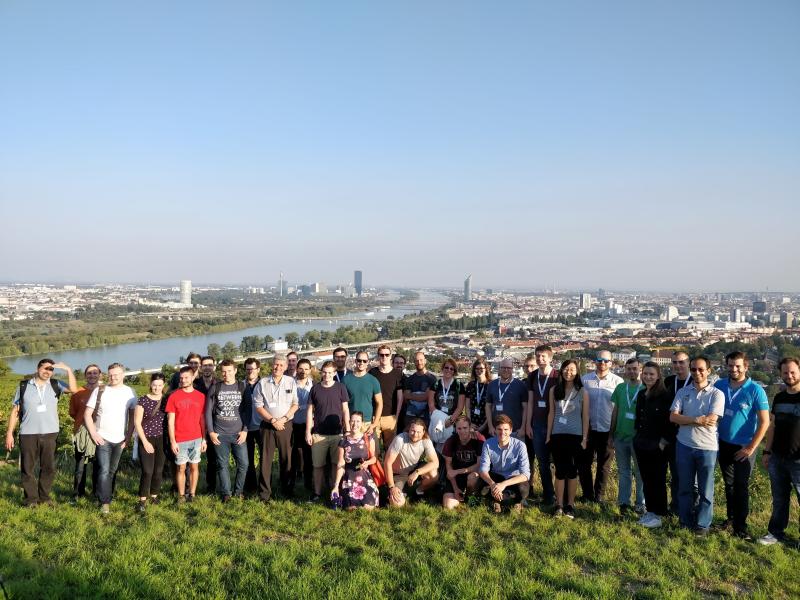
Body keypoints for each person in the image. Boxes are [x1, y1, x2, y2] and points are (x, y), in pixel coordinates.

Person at [5, 359, 78, 506]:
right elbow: (15, 412)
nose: (48, 372)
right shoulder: (24, 386)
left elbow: (74, 389)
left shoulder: (56, 384)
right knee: (28, 468)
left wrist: (68, 369)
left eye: (51, 369)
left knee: (48, 467)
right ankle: (31, 499)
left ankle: (44, 498)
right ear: (38, 368)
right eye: (45, 368)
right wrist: (9, 433)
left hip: (50, 433)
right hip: (28, 433)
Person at [714, 351, 770, 540]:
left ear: (746, 366)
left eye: (738, 365)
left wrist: (751, 448)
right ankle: (730, 519)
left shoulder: (755, 390)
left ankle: (741, 526)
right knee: (729, 485)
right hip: (723, 444)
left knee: (741, 486)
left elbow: (764, 422)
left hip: (744, 447)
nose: (734, 369)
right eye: (730, 365)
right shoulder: (720, 385)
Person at [670, 356, 725, 535]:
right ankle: (685, 520)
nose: (697, 373)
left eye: (701, 369)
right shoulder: (682, 392)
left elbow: (711, 419)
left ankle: (702, 525)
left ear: (708, 371)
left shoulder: (717, 394)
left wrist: (685, 420)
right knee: (684, 487)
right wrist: (696, 419)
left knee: (706, 490)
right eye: (693, 369)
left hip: (707, 448)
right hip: (684, 445)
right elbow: (673, 417)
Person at [84, 363, 137, 514]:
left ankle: (107, 495)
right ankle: (104, 502)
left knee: (112, 471)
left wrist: (128, 437)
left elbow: (133, 418)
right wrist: (94, 433)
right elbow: (87, 414)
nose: (113, 377)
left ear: (123, 375)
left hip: (120, 439)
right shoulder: (100, 391)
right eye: (111, 375)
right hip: (103, 438)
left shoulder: (130, 392)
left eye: (116, 374)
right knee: (104, 470)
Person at [758, 357, 800, 546]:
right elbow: (772, 426)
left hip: (799, 460)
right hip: (778, 457)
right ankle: (775, 533)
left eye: (792, 372)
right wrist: (767, 452)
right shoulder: (780, 397)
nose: (789, 376)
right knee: (779, 499)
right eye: (785, 372)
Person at [633, 362, 675, 529]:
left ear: (658, 376)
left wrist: (663, 442)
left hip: (657, 445)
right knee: (646, 479)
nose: (648, 377)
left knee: (657, 480)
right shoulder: (643, 394)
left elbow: (670, 422)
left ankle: (659, 514)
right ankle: (650, 512)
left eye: (651, 374)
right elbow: (639, 418)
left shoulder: (665, 396)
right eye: (645, 374)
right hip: (642, 442)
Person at [546, 359, 589, 518]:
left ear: (577, 372)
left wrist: (585, 438)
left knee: (572, 471)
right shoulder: (554, 390)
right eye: (565, 369)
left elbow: (585, 416)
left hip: (576, 436)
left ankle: (570, 504)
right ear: (561, 371)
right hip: (558, 435)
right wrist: (548, 435)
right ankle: (559, 504)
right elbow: (551, 414)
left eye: (571, 370)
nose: (568, 372)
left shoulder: (582, 392)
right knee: (559, 471)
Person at [579, 350, 623, 503]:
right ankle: (587, 494)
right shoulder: (585, 380)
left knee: (604, 466)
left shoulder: (618, 382)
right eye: (599, 360)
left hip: (607, 430)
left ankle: (599, 496)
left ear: (611, 363)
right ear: (595, 361)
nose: (602, 363)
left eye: (606, 360)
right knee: (584, 463)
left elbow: (620, 408)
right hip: (588, 429)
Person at [253, 354, 299, 502]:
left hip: (286, 425)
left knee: (287, 459)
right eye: (275, 364)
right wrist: (272, 420)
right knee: (266, 461)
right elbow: (258, 406)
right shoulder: (262, 383)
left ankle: (287, 491)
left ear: (285, 367)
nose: (277, 367)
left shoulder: (291, 381)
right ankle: (264, 494)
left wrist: (284, 419)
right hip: (267, 426)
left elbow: (295, 404)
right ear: (271, 365)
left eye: (281, 365)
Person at [306, 361, 351, 502]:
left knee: (335, 464)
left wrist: (347, 430)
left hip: (337, 434)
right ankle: (317, 493)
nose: (327, 375)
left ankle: (334, 491)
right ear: (321, 372)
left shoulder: (341, 387)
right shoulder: (315, 389)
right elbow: (309, 412)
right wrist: (308, 431)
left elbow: (345, 410)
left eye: (330, 372)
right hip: (319, 434)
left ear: (334, 373)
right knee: (318, 466)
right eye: (325, 372)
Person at [205, 359, 248, 502]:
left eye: (229, 371)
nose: (226, 374)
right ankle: (226, 493)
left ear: (235, 371)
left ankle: (239, 491)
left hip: (238, 434)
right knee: (222, 465)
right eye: (223, 371)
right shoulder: (215, 388)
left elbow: (248, 411)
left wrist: (245, 430)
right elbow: (208, 412)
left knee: (243, 464)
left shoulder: (242, 387)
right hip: (220, 434)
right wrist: (211, 432)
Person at [609, 358, 645, 515]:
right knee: (624, 471)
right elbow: (615, 411)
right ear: (625, 370)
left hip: (638, 438)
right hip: (620, 436)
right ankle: (624, 502)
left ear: (640, 369)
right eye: (629, 369)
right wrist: (611, 434)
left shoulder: (645, 388)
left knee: (640, 472)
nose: (632, 371)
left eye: (634, 368)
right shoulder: (620, 388)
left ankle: (640, 503)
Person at [166, 366, 207, 502]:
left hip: (196, 438)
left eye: (186, 377)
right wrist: (173, 441)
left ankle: (193, 494)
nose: (183, 380)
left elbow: (202, 419)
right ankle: (182, 495)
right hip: (180, 439)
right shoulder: (173, 396)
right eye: (181, 378)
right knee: (181, 468)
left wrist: (204, 439)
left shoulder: (201, 396)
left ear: (192, 378)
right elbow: (170, 421)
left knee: (194, 466)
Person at [524, 345, 558, 505]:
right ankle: (548, 495)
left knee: (557, 461)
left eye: (543, 356)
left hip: (555, 425)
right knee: (542, 462)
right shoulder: (532, 377)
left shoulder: (557, 376)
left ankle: (561, 494)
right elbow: (530, 402)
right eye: (538, 356)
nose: (540, 359)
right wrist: (528, 425)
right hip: (537, 425)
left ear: (550, 358)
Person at [478, 414, 531, 513]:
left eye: (506, 429)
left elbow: (526, 474)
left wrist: (503, 484)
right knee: (480, 480)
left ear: (511, 430)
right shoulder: (488, 444)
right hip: (496, 477)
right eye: (499, 429)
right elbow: (483, 470)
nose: (502, 432)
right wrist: (493, 484)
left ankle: (515, 501)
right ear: (495, 430)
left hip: (513, 479)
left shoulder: (520, 446)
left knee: (523, 488)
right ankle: (501, 498)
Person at [385, 419, 439, 507]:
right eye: (413, 431)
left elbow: (435, 463)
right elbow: (387, 463)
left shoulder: (426, 440)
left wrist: (417, 472)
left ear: (423, 432)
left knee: (433, 474)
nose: (415, 434)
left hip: (413, 470)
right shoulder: (400, 439)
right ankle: (400, 491)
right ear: (409, 430)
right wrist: (391, 487)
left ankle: (418, 492)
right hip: (398, 474)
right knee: (397, 504)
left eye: (418, 432)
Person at [663, 350, 692, 513]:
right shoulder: (668, 381)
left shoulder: (693, 382)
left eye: (681, 362)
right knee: (674, 474)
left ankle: (687, 508)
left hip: (687, 434)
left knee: (686, 476)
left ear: (688, 362)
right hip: (669, 436)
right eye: (674, 362)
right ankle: (674, 506)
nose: (678, 366)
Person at [332, 412, 380, 510]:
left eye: (358, 421)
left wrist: (367, 462)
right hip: (349, 478)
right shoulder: (343, 441)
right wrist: (336, 486)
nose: (355, 424)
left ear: (362, 423)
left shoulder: (368, 438)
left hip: (365, 476)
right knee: (351, 508)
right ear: (349, 422)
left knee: (369, 507)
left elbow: (374, 458)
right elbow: (341, 464)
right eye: (352, 421)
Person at [134, 373, 168, 512]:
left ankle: (154, 496)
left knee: (158, 470)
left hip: (162, 438)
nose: (157, 388)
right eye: (154, 385)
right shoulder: (143, 400)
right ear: (150, 385)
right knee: (147, 471)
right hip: (146, 438)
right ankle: (142, 499)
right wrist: (145, 442)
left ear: (163, 386)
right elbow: (137, 422)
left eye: (160, 385)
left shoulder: (166, 399)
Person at [69, 364, 102, 502]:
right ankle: (78, 493)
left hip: (100, 433)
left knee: (98, 466)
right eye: (89, 373)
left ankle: (96, 493)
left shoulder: (105, 391)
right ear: (85, 375)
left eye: (95, 373)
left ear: (100, 374)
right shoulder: (78, 393)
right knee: (80, 466)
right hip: (82, 433)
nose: (92, 375)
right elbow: (73, 413)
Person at [442, 416, 485, 509]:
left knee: (472, 477)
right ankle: (459, 494)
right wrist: (455, 488)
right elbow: (449, 469)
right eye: (459, 428)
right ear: (456, 429)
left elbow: (479, 465)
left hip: (473, 473)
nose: (462, 431)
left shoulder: (479, 439)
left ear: (470, 427)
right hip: (456, 477)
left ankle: (470, 496)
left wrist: (458, 471)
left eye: (465, 428)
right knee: (448, 506)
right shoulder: (451, 441)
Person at [369, 345, 406, 447]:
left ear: (391, 356)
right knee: (373, 448)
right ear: (378, 356)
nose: (384, 357)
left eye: (387, 354)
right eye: (382, 355)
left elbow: (400, 398)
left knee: (390, 448)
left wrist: (396, 417)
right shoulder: (372, 373)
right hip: (375, 416)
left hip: (391, 417)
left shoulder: (397, 374)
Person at [485, 358, 527, 440]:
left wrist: (523, 428)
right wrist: (490, 426)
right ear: (499, 369)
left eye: (509, 368)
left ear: (512, 369)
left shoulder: (521, 385)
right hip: (496, 431)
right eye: (503, 368)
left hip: (516, 432)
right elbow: (488, 406)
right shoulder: (492, 385)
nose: (506, 370)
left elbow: (525, 408)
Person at [343, 351, 383, 436]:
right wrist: (346, 424)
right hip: (351, 423)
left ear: (368, 362)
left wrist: (374, 424)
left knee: (371, 449)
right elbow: (342, 404)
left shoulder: (373, 380)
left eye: (364, 361)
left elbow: (380, 403)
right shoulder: (345, 380)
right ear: (355, 361)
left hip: (367, 424)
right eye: (359, 360)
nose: (361, 363)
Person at [195, 355, 218, 494]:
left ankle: (211, 487)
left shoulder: (219, 384)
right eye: (205, 365)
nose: (207, 367)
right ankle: (188, 488)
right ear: (201, 367)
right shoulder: (195, 385)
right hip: (196, 426)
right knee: (191, 460)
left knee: (213, 459)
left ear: (214, 367)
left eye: (210, 365)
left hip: (215, 426)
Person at [291, 358, 314, 492]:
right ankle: (291, 481)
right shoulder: (289, 384)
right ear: (296, 369)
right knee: (293, 454)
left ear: (310, 370)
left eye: (306, 369)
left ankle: (308, 483)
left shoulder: (314, 385)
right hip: (293, 424)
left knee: (308, 454)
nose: (303, 371)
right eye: (301, 368)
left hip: (309, 425)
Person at [242, 357, 263, 495]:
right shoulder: (240, 385)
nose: (250, 371)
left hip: (262, 426)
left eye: (253, 369)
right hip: (246, 428)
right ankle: (251, 486)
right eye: (248, 369)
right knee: (247, 459)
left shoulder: (264, 384)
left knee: (264, 458)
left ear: (258, 370)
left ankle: (264, 484)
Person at [402, 351, 436, 427]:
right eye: (417, 360)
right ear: (414, 362)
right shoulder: (410, 379)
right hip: (410, 416)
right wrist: (422, 396)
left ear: (425, 361)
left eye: (421, 360)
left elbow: (427, 397)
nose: (419, 362)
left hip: (425, 416)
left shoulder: (432, 379)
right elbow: (405, 396)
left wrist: (412, 395)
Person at [433, 358, 466, 429]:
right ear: (443, 368)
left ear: (454, 371)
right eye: (446, 367)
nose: (449, 370)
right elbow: (431, 404)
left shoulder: (459, 386)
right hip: (437, 420)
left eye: (452, 369)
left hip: (453, 421)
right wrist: (437, 419)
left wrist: (450, 421)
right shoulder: (435, 384)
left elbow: (460, 407)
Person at [465, 357, 492, 435]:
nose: (479, 370)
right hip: (472, 425)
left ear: (486, 369)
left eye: (481, 368)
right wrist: (470, 423)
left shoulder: (491, 385)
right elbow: (467, 407)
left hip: (487, 424)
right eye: (477, 369)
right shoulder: (471, 385)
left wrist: (483, 426)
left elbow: (492, 408)